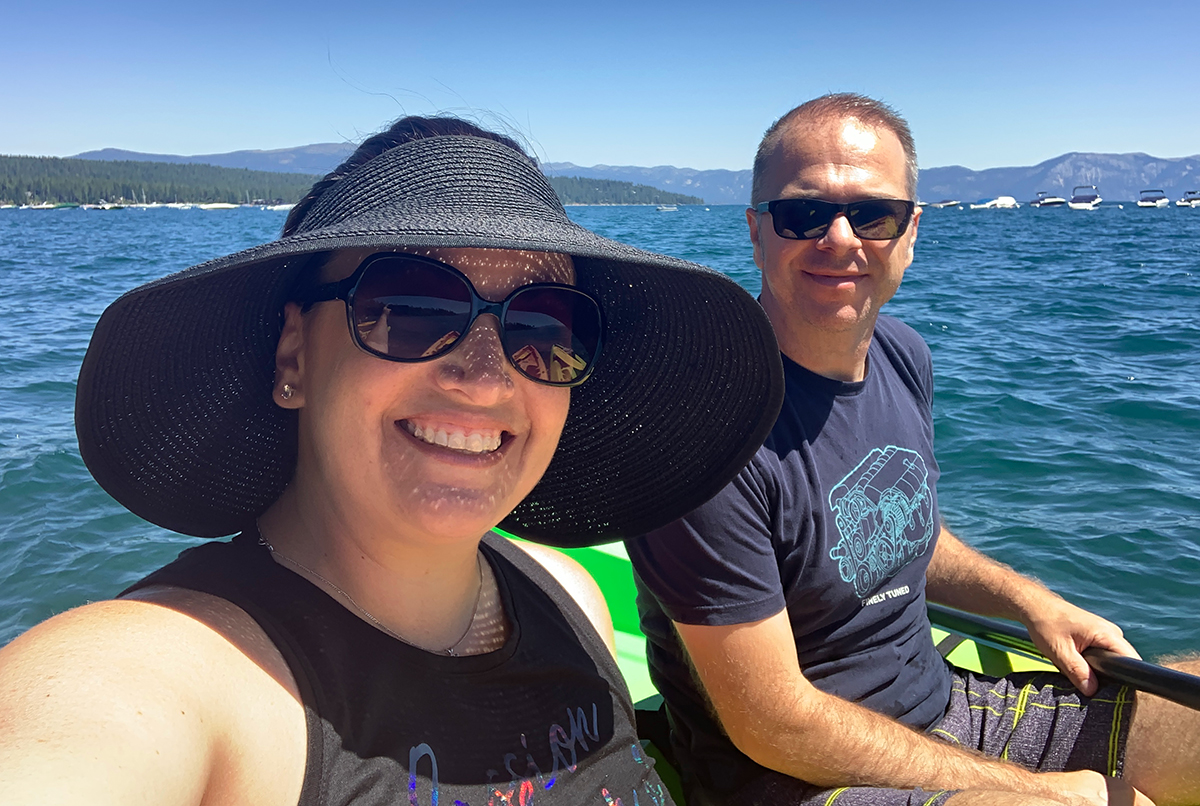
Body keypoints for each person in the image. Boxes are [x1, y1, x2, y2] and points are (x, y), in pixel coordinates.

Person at [0, 116, 785, 805]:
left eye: (544, 325)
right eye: (412, 307)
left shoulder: (574, 595)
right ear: (294, 354)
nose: (485, 377)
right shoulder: (177, 681)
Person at [626, 94, 1200, 806]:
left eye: (873, 214)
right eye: (803, 213)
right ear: (756, 232)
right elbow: (770, 726)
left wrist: (1029, 601)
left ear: (910, 232)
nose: (840, 238)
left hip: (945, 711)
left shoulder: (902, 355)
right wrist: (1045, 792)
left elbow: (901, 532)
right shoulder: (698, 429)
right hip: (788, 778)